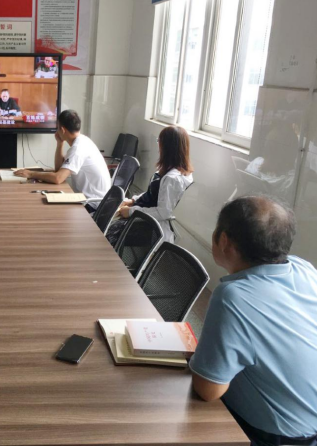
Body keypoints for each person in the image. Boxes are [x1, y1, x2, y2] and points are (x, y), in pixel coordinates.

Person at [190, 196, 317, 446]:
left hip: (279, 437)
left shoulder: (233, 297)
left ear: (223, 240)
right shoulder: (304, 269)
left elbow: (208, 390)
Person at [106, 125, 193, 246]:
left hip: (149, 227)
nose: (158, 145)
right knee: (104, 219)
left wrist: (131, 211)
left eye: (159, 141)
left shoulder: (172, 179)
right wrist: (132, 200)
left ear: (167, 146)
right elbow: (153, 193)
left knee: (105, 233)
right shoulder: (169, 169)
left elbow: (163, 212)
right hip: (142, 216)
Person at [14, 110, 110, 211]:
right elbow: (59, 169)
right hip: (94, 200)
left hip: (93, 205)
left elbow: (58, 178)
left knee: (47, 210)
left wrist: (30, 174)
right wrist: (60, 144)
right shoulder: (82, 141)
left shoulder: (78, 148)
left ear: (63, 130)